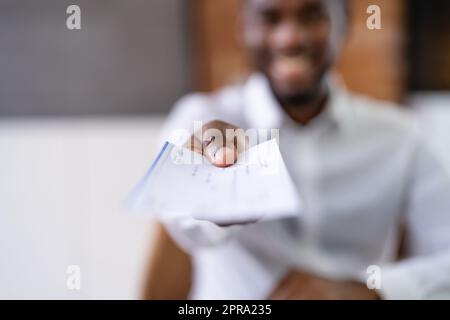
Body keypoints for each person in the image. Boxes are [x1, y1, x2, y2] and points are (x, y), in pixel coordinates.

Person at [142, 0, 450, 299]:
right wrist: (213, 190)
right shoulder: (201, 118)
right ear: (243, 27)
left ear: (343, 23)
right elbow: (185, 223)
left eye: (311, 14)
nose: (289, 38)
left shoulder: (401, 138)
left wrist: (369, 290)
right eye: (269, 17)